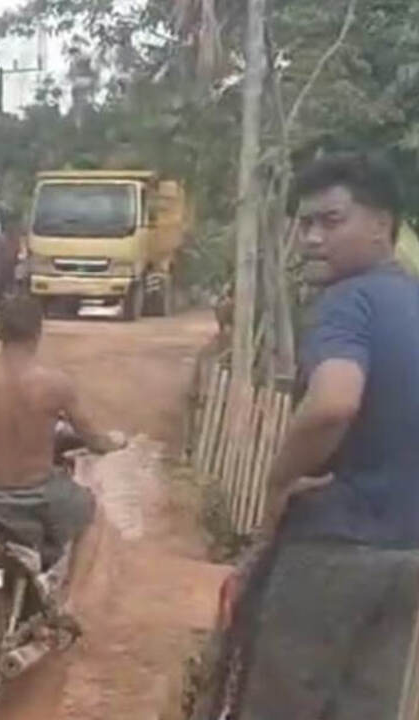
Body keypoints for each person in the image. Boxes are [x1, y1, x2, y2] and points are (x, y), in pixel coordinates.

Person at [220, 153, 419, 719]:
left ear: (383, 225)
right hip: (406, 555)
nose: (310, 238)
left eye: (331, 222)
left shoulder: (347, 303)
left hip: (333, 550)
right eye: (304, 224)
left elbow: (333, 403)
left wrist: (279, 481)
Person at [0, 296, 122, 565]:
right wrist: (114, 443)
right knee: (92, 517)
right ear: (37, 333)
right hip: (40, 495)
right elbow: (93, 439)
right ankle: (73, 601)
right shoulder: (56, 384)